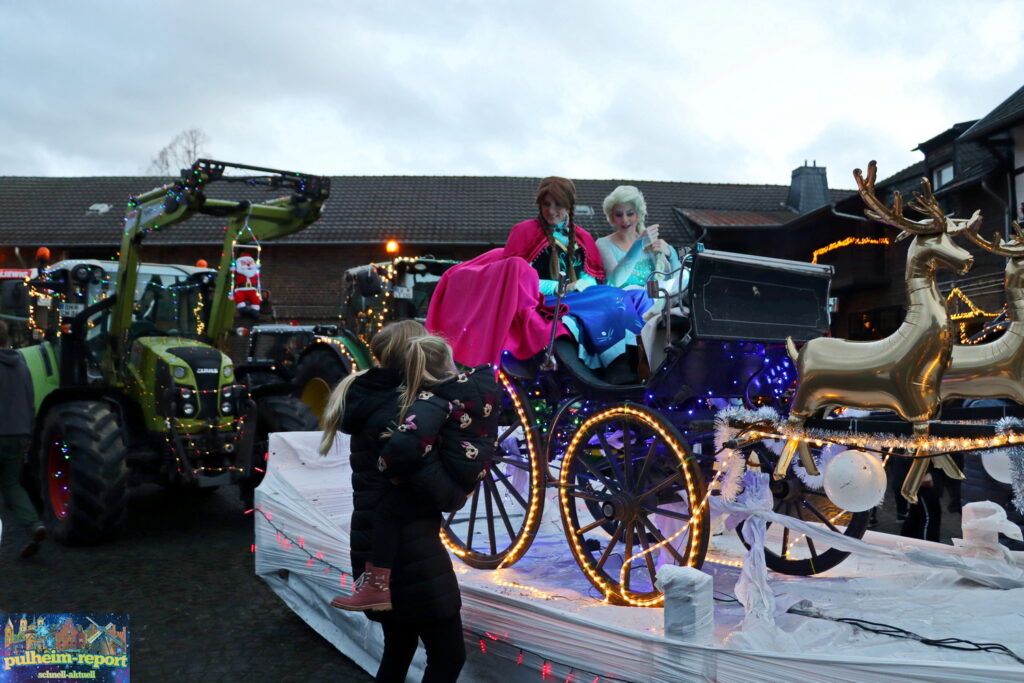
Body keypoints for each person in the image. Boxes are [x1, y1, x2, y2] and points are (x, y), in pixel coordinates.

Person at [319, 320, 492, 682]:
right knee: (447, 657)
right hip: (409, 552)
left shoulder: (370, 396)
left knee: (398, 650)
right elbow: (432, 486)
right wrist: (460, 490)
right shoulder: (406, 411)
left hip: (375, 546)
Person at [502, 176, 653, 378]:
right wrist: (560, 287)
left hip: (577, 296)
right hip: (542, 300)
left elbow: (591, 274)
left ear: (570, 206)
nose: (551, 211)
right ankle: (617, 365)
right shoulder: (524, 231)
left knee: (622, 295)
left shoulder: (582, 236)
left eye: (559, 205)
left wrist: (584, 282)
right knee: (610, 298)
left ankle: (637, 358)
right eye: (546, 204)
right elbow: (516, 280)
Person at [0, 320, 46, 558]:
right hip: (18, 433)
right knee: (11, 485)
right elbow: (30, 399)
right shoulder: (21, 365)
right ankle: (34, 524)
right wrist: (28, 431)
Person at [595, 185, 682, 289]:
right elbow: (616, 280)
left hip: (655, 304)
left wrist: (671, 254)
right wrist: (638, 245)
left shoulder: (650, 244)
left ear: (638, 215)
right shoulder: (603, 244)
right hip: (620, 304)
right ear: (611, 218)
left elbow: (675, 284)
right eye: (618, 215)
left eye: (630, 214)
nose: (624, 219)